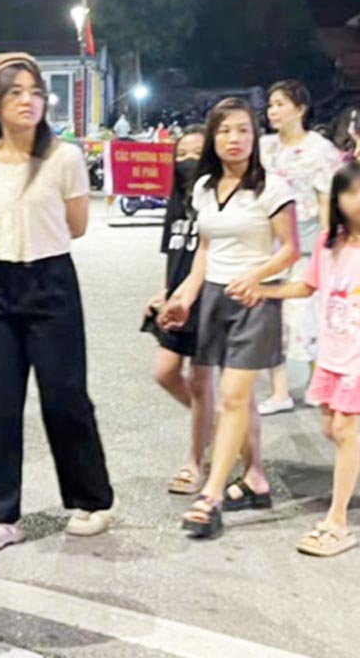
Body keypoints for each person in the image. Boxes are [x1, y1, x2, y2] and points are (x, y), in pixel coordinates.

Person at [0, 53, 114, 554]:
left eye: (35, 92)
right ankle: (3, 516)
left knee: (65, 397)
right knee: (0, 404)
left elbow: (77, 224)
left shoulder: (64, 157)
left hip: (51, 283)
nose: (29, 101)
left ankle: (91, 500)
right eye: (16, 93)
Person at [160, 97, 299, 539]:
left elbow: (290, 249)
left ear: (254, 137)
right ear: (212, 138)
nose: (233, 139)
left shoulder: (272, 188)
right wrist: (183, 296)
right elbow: (204, 251)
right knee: (230, 397)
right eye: (224, 131)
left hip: (255, 302)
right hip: (214, 300)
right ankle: (255, 478)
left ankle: (212, 496)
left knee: (235, 398)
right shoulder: (203, 188)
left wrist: (256, 278)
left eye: (242, 130)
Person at [253, 162, 360, 555]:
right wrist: (263, 290)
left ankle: (337, 523)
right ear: (337, 198)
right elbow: (307, 286)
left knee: (344, 431)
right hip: (334, 352)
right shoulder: (329, 242)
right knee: (332, 428)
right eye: (351, 192)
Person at [258, 80, 342, 415]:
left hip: (304, 244)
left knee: (307, 316)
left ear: (300, 109)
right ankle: (279, 392)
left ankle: (316, 385)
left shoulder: (320, 150)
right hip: (265, 244)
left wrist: (328, 245)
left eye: (280, 103)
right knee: (268, 319)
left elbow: (326, 200)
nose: (273, 110)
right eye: (270, 104)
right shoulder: (263, 147)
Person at [145, 127, 214, 494]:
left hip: (206, 299)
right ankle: (219, 428)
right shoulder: (177, 198)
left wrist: (185, 294)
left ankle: (195, 461)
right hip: (176, 300)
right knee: (164, 372)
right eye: (181, 153)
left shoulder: (217, 198)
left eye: (196, 152)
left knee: (202, 382)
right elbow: (174, 252)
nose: (188, 160)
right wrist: (164, 291)